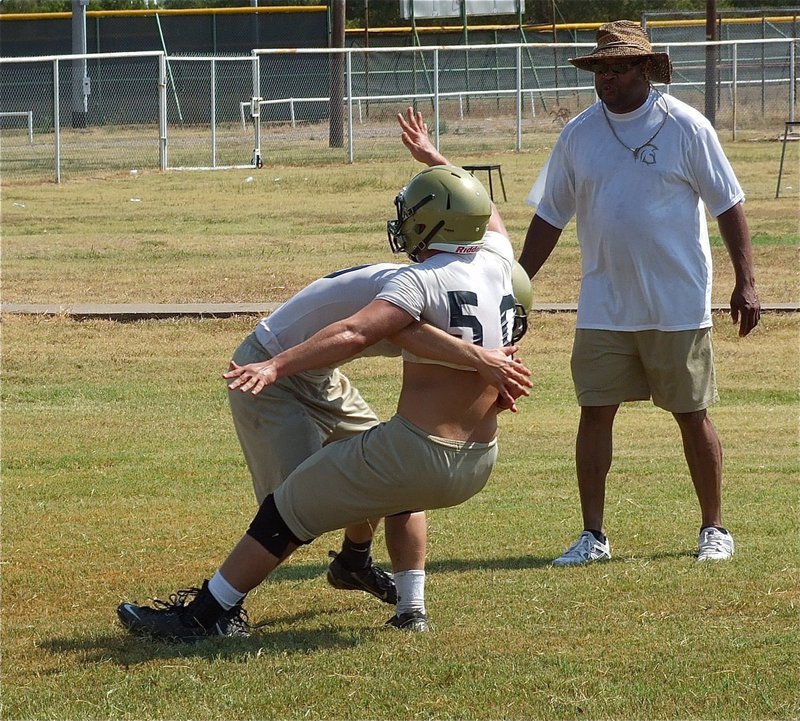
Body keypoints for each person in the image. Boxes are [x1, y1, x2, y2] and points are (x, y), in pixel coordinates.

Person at [117, 142, 530, 642]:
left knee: (287, 509)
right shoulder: (500, 269)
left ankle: (206, 615)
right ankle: (395, 597)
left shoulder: (416, 281)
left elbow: (359, 331)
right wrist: (438, 161)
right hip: (477, 460)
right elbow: (490, 224)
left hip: (382, 427)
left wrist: (275, 366)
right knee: (383, 490)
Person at [226, 109, 532, 622]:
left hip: (314, 366)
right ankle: (229, 607)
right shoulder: (469, 273)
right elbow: (365, 332)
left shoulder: (455, 274)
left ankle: (354, 562)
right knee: (290, 505)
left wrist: (485, 367)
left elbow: (371, 335)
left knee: (392, 479)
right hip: (269, 364)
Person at [519, 20, 760, 566]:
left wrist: (745, 281)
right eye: (600, 68)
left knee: (691, 413)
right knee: (594, 411)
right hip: (604, 303)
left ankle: (714, 529)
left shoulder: (686, 127)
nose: (607, 77)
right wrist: (516, 284)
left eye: (619, 66)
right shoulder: (579, 134)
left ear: (647, 69)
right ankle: (593, 536)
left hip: (677, 303)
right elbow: (550, 217)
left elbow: (728, 205)